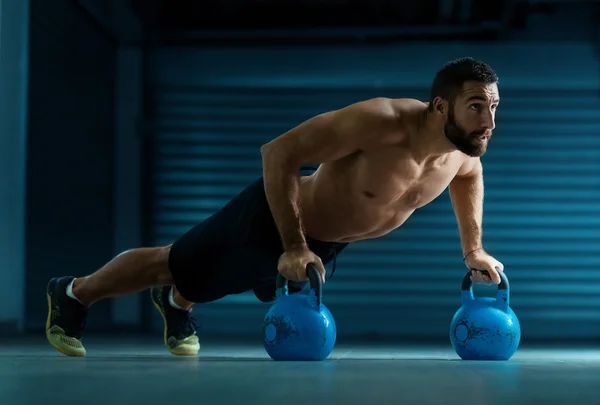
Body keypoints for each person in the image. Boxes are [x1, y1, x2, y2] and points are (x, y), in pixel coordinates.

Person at [45, 57, 505, 357]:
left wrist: (474, 250)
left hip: (325, 245)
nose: (488, 121)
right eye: (476, 107)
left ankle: (177, 301)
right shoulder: (380, 121)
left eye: (493, 108)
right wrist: (292, 244)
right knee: (173, 263)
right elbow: (278, 153)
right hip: (278, 220)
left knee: (223, 278)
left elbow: (469, 179)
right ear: (440, 106)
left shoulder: (462, 151)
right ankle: (72, 294)